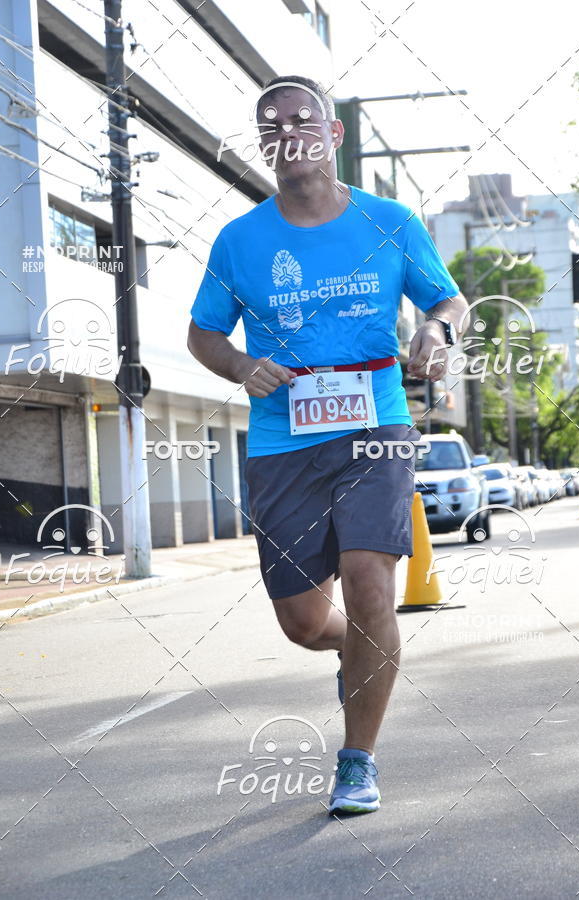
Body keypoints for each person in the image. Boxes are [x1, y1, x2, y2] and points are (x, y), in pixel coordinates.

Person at [188, 75, 469, 815]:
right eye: (271, 123)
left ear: (333, 134)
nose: (288, 131)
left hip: (375, 422)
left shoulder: (390, 221)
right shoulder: (240, 241)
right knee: (304, 622)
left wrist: (436, 331)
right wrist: (243, 365)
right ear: (264, 144)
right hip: (283, 441)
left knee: (370, 579)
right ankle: (359, 652)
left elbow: (449, 299)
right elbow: (203, 332)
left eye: (302, 118)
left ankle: (357, 761)